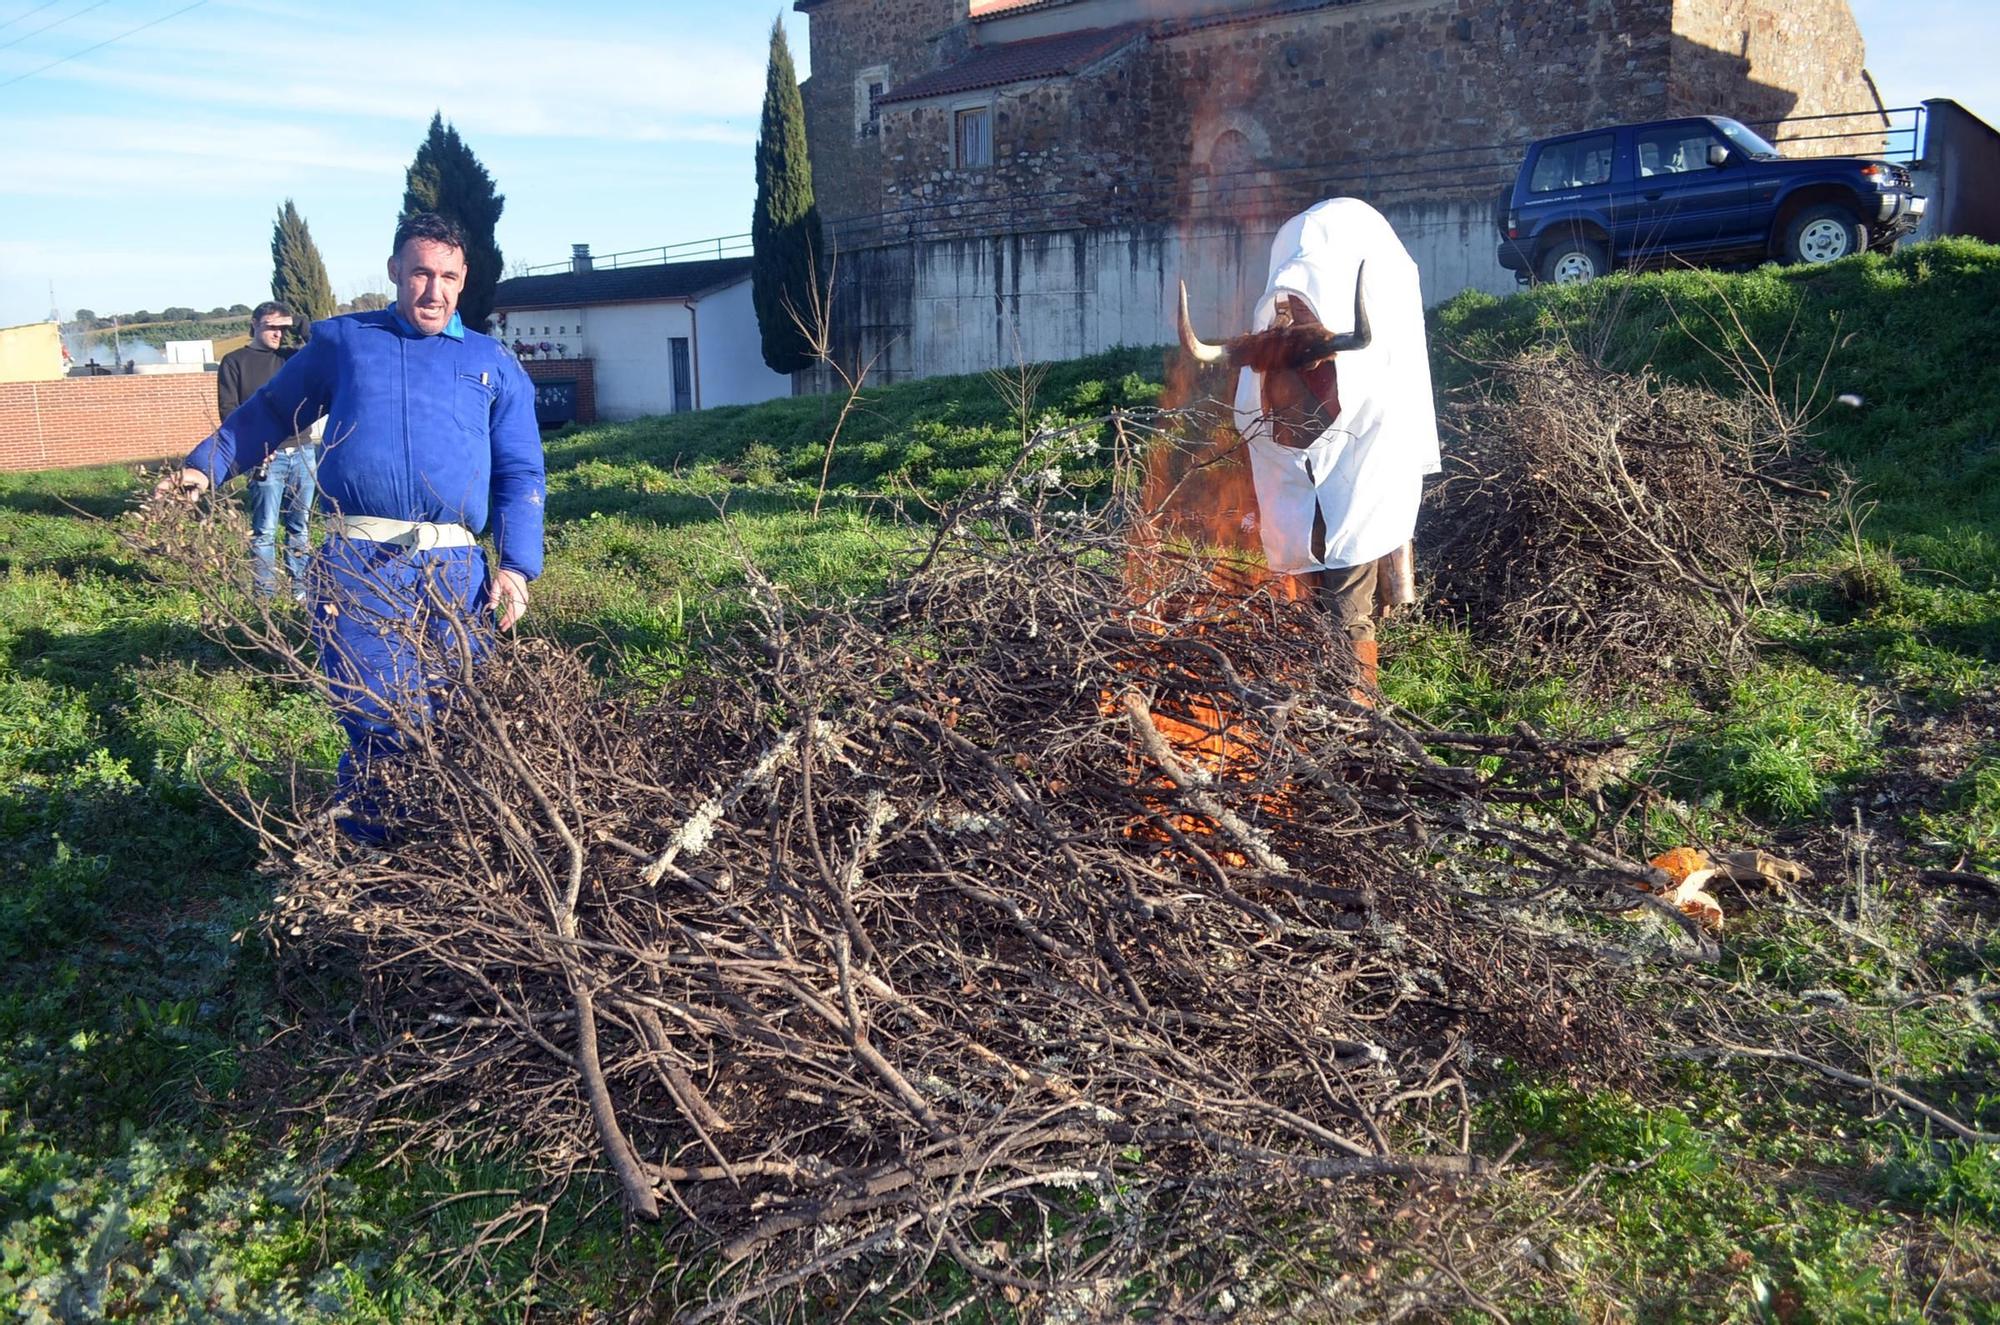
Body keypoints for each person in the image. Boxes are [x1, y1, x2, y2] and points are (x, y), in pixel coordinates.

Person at [159, 212, 546, 839]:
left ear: (464, 279)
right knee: (378, 716)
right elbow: (271, 413)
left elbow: (521, 471)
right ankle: (372, 858)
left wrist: (516, 567)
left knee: (461, 717)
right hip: (360, 567)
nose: (434, 290)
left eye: (448, 276)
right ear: (395, 271)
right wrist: (204, 469)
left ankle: (445, 853)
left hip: (458, 571)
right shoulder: (346, 345)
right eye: (420, 272)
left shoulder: (491, 362)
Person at [1227, 198, 1439, 692]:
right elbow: (1252, 428)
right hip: (1298, 479)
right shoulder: (1267, 361)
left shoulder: (1371, 386)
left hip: (1355, 478)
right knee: (1304, 608)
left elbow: (1371, 423)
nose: (1291, 306)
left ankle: (1361, 715)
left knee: (1346, 610)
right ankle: (1312, 704)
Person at [217, 301, 316, 598]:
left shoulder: (291, 358)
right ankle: (266, 597)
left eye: (282, 328)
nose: (277, 333)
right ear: (254, 324)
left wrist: (297, 321)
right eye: (271, 326)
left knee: (300, 528)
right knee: (265, 532)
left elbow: (323, 345)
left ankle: (300, 592)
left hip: (301, 452)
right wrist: (255, 446)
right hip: (265, 458)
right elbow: (228, 411)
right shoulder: (234, 361)